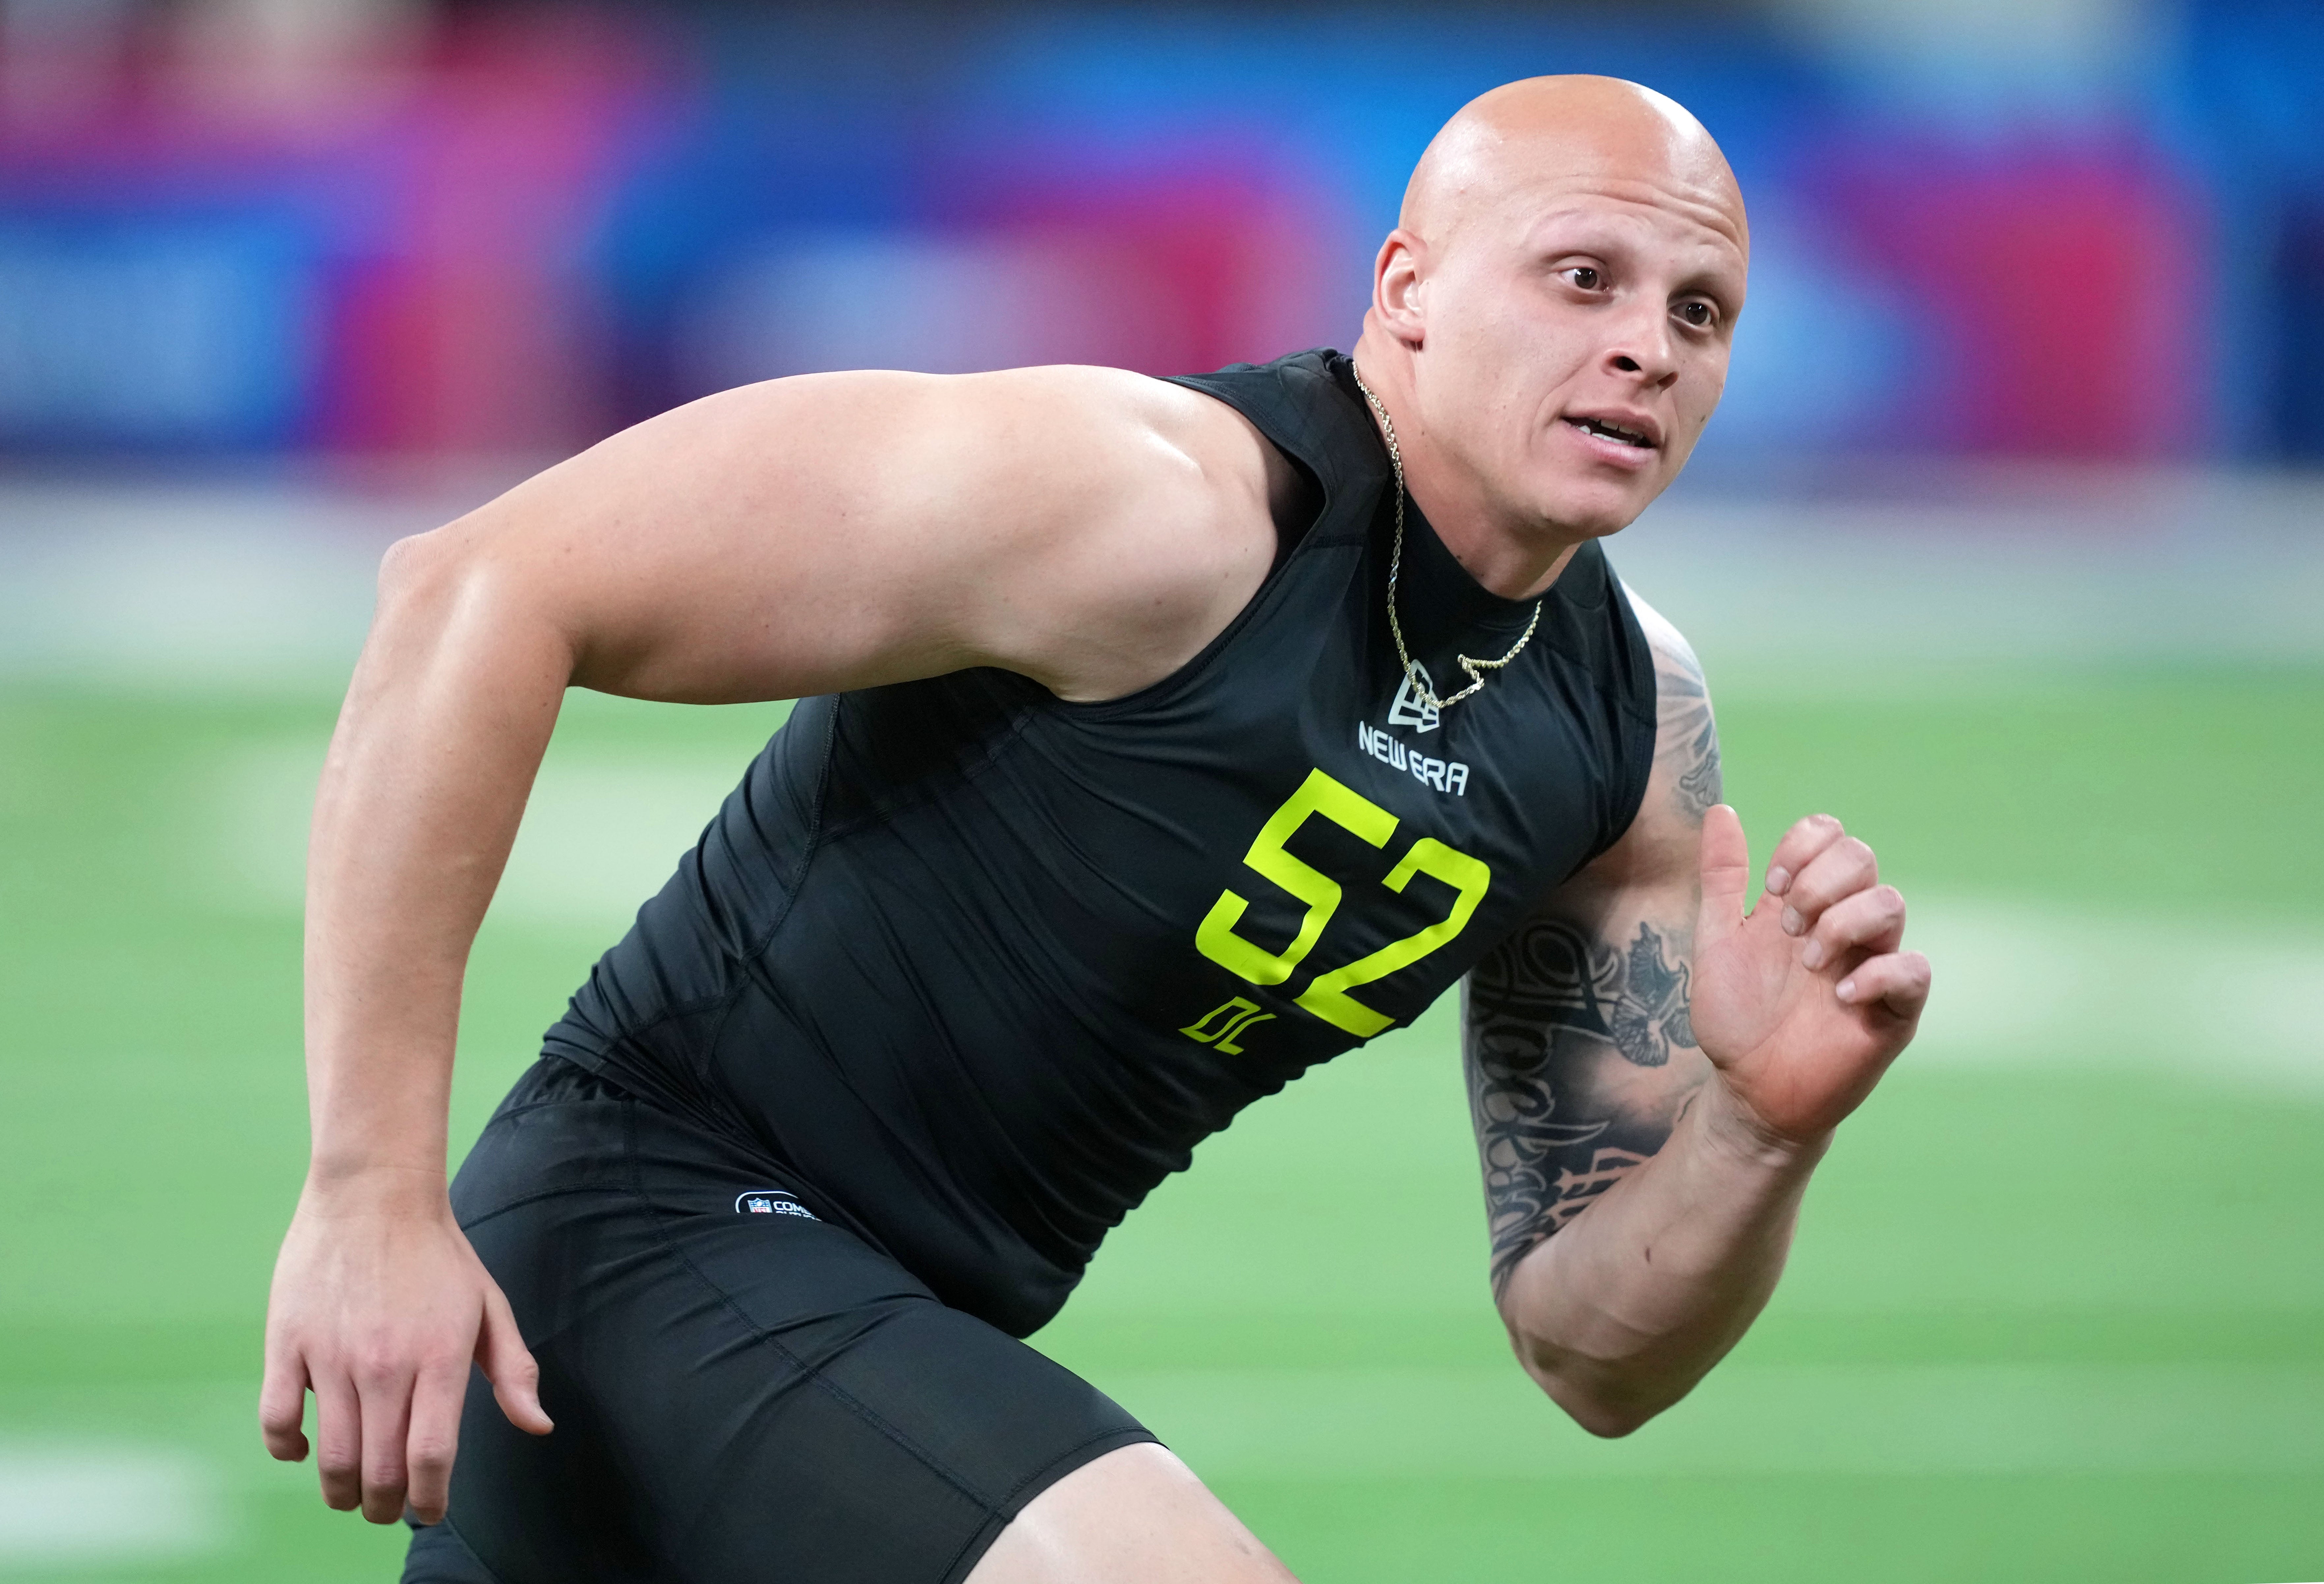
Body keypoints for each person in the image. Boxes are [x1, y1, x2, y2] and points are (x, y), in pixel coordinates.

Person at [261, 73, 1930, 1583]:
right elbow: (476, 588)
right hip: (645, 1231)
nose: (1647, 344)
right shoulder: (1158, 506)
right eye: (1585, 278)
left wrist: (1761, 1133)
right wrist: (366, 1193)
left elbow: (1596, 1352)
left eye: (1700, 311)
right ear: (1408, 292)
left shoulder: (1626, 735)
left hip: (888, 1342)